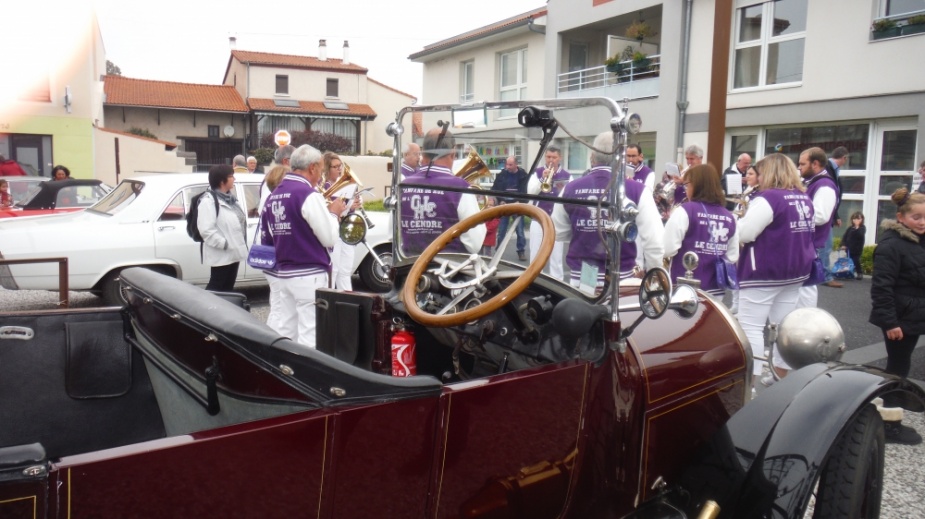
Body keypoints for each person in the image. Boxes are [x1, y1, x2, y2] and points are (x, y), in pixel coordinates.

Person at [736, 153, 815, 381]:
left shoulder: (768, 198)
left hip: (764, 271)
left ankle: (749, 382)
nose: (757, 178)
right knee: (782, 327)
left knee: (750, 327)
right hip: (795, 271)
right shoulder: (803, 197)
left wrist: (736, 222)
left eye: (759, 173)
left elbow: (746, 232)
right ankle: (781, 377)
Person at [260, 145, 347, 349]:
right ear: (313, 167)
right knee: (311, 333)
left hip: (284, 272)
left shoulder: (275, 194)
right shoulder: (307, 194)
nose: (321, 175)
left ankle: (283, 371)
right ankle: (308, 377)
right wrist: (334, 214)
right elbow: (329, 238)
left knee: (286, 330)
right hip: (309, 273)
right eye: (321, 169)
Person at [552, 131, 663, 292]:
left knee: (584, 313)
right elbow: (655, 242)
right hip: (622, 280)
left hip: (582, 276)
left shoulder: (569, 188)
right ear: (621, 158)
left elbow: (558, 232)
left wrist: (585, 231)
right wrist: (654, 276)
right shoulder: (638, 190)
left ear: (593, 157)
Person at [868, 187, 925, 445]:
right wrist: (890, 322)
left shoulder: (917, 239)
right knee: (897, 368)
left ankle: (896, 406)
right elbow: (881, 287)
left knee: (901, 365)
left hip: (913, 314)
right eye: (917, 217)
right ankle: (890, 424)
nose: (922, 222)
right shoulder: (892, 245)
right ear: (901, 218)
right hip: (900, 318)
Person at [400, 127, 485, 256]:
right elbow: (474, 244)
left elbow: (392, 235)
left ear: (423, 153)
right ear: (453, 152)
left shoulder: (402, 186)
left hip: (410, 269)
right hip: (449, 270)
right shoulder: (460, 188)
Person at [664, 164, 739, 300]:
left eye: (687, 185)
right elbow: (732, 256)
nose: (686, 189)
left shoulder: (685, 210)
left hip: (684, 287)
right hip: (716, 289)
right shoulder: (730, 216)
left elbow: (668, 249)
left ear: (696, 185)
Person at [797, 147, 841, 309]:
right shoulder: (813, 182)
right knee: (800, 286)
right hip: (804, 242)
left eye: (802, 164)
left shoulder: (825, 185)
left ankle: (807, 319)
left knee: (806, 287)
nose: (799, 167)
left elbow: (821, 216)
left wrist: (792, 212)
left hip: (810, 243)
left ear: (815, 164)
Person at [198, 164, 247, 292]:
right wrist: (224, 244)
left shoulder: (231, 199)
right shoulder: (208, 201)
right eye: (231, 176)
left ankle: (224, 311)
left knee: (228, 288)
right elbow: (206, 229)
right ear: (222, 181)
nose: (234, 179)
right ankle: (207, 311)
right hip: (222, 254)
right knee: (216, 287)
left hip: (233, 252)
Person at [527, 146, 570, 277]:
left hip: (556, 220)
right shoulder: (537, 172)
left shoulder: (567, 176)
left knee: (556, 258)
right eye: (548, 157)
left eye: (554, 157)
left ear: (560, 158)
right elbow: (530, 192)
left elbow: (569, 197)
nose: (551, 160)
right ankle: (532, 281)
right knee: (535, 255)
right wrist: (542, 180)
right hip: (538, 218)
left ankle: (558, 283)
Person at [729, 164, 761, 313]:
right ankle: (736, 303)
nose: (747, 176)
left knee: (742, 271)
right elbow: (738, 211)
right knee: (735, 269)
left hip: (747, 236)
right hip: (738, 231)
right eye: (747, 173)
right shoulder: (747, 191)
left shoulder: (758, 193)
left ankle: (742, 306)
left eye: (751, 174)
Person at [324, 151, 357, 291]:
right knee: (334, 269)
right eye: (335, 167)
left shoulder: (343, 185)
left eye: (340, 166)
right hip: (334, 231)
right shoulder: (324, 187)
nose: (339, 169)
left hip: (345, 230)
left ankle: (348, 302)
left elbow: (346, 211)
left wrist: (353, 206)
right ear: (327, 169)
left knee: (346, 270)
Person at [491, 155, 529, 260]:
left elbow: (527, 191)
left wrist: (520, 201)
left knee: (520, 231)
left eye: (510, 164)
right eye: (507, 164)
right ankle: (498, 251)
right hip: (505, 205)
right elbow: (495, 189)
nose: (507, 166)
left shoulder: (523, 175)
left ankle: (521, 252)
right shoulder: (502, 174)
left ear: (516, 164)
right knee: (502, 230)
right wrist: (500, 200)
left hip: (517, 206)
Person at [822, 146, 848, 285]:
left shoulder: (833, 169)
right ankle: (825, 277)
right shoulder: (828, 168)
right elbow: (830, 194)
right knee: (826, 246)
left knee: (825, 245)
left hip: (829, 213)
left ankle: (821, 275)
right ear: (844, 158)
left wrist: (836, 215)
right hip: (825, 214)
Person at [840, 211, 866, 280]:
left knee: (856, 260)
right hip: (849, 248)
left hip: (857, 248)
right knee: (849, 260)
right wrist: (843, 244)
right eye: (855, 219)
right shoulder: (850, 228)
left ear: (862, 220)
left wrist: (857, 227)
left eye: (859, 219)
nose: (856, 221)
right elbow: (845, 237)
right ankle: (848, 272)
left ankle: (859, 272)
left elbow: (860, 234)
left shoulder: (862, 228)